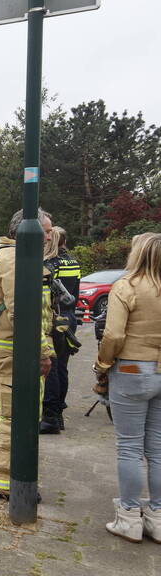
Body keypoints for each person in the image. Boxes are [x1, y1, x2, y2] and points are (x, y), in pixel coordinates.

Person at [0, 208, 55, 499]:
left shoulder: (4, 255)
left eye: (49, 231)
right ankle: (3, 482)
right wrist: (43, 353)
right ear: (23, 231)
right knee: (15, 418)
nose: (49, 237)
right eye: (45, 231)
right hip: (10, 355)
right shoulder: (14, 259)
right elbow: (24, 312)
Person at [94, 232, 161, 543]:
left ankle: (130, 517)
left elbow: (114, 336)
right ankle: (157, 518)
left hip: (132, 369)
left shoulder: (127, 287)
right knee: (157, 448)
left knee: (130, 447)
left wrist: (102, 366)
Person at [41, 227, 82, 434]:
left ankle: (50, 417)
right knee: (63, 367)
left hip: (54, 319)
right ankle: (58, 414)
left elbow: (47, 296)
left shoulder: (49, 264)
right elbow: (75, 293)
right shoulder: (74, 262)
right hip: (69, 319)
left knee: (52, 367)